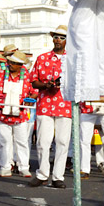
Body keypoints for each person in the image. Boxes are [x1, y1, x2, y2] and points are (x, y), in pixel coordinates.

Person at [0, 50, 35, 178]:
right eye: (10, 62)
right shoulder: (1, 74)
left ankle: (24, 167)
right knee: (4, 141)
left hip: (20, 115)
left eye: (14, 63)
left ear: (20, 65)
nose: (10, 64)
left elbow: (34, 91)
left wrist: (31, 100)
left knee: (21, 142)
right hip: (3, 115)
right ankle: (5, 167)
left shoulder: (26, 75)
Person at [30, 26, 74, 188]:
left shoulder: (72, 60)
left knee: (62, 142)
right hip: (45, 104)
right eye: (55, 36)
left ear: (67, 40)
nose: (58, 40)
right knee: (43, 141)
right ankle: (42, 174)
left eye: (62, 37)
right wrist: (46, 85)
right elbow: (33, 81)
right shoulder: (42, 58)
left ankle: (58, 176)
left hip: (65, 105)